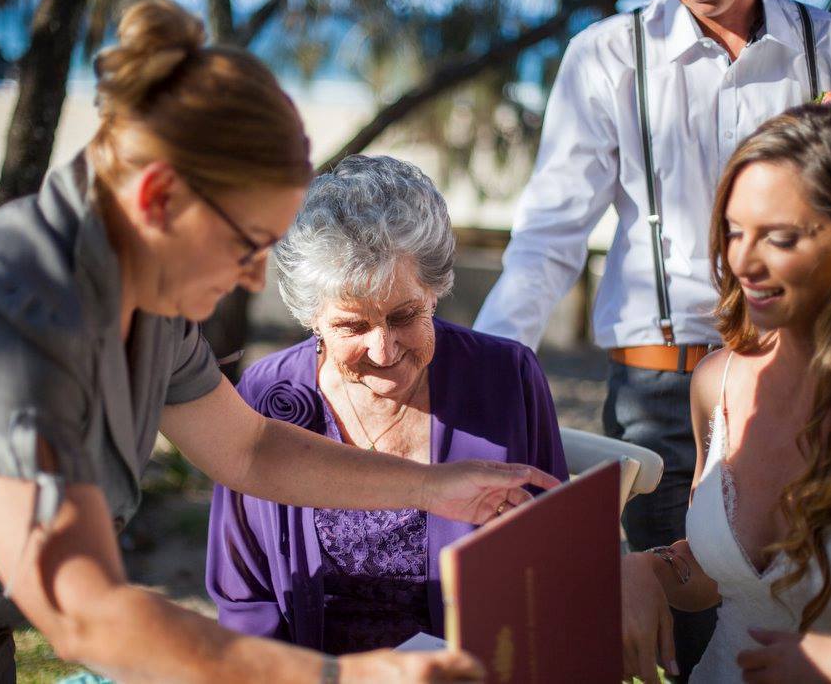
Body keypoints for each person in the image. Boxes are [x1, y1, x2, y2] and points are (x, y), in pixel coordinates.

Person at [0, 0, 558, 683]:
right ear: (159, 199)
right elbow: (82, 613)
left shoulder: (147, 302)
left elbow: (251, 447)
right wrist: (345, 678)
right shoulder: (0, 330)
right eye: (246, 243)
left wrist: (431, 487)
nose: (258, 276)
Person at [472, 0, 831, 675]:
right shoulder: (605, 56)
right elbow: (547, 242)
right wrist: (481, 378)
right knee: (691, 645)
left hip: (811, 384)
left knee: (822, 612)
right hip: (659, 396)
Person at [205, 155, 570, 653]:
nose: (384, 350)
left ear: (435, 291)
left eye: (404, 316)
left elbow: (557, 563)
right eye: (352, 326)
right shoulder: (266, 396)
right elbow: (245, 598)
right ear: (312, 318)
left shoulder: (507, 379)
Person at [620, 104, 831, 683]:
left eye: (779, 238)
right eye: (734, 231)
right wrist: (648, 570)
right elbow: (720, 573)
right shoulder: (719, 384)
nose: (743, 261)